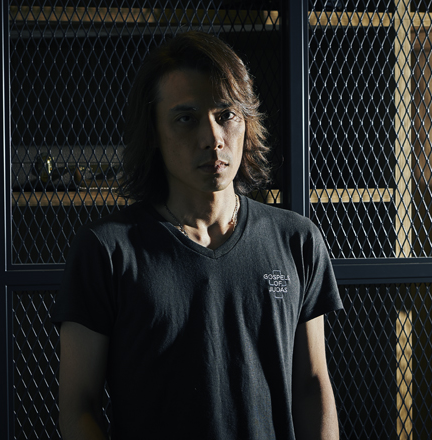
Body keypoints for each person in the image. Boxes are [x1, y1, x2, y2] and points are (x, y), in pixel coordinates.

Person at [51, 31, 343, 440]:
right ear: (153, 133)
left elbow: (312, 385)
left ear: (246, 121)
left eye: (226, 114)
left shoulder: (297, 240)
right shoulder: (107, 250)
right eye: (186, 118)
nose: (213, 138)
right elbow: (78, 407)